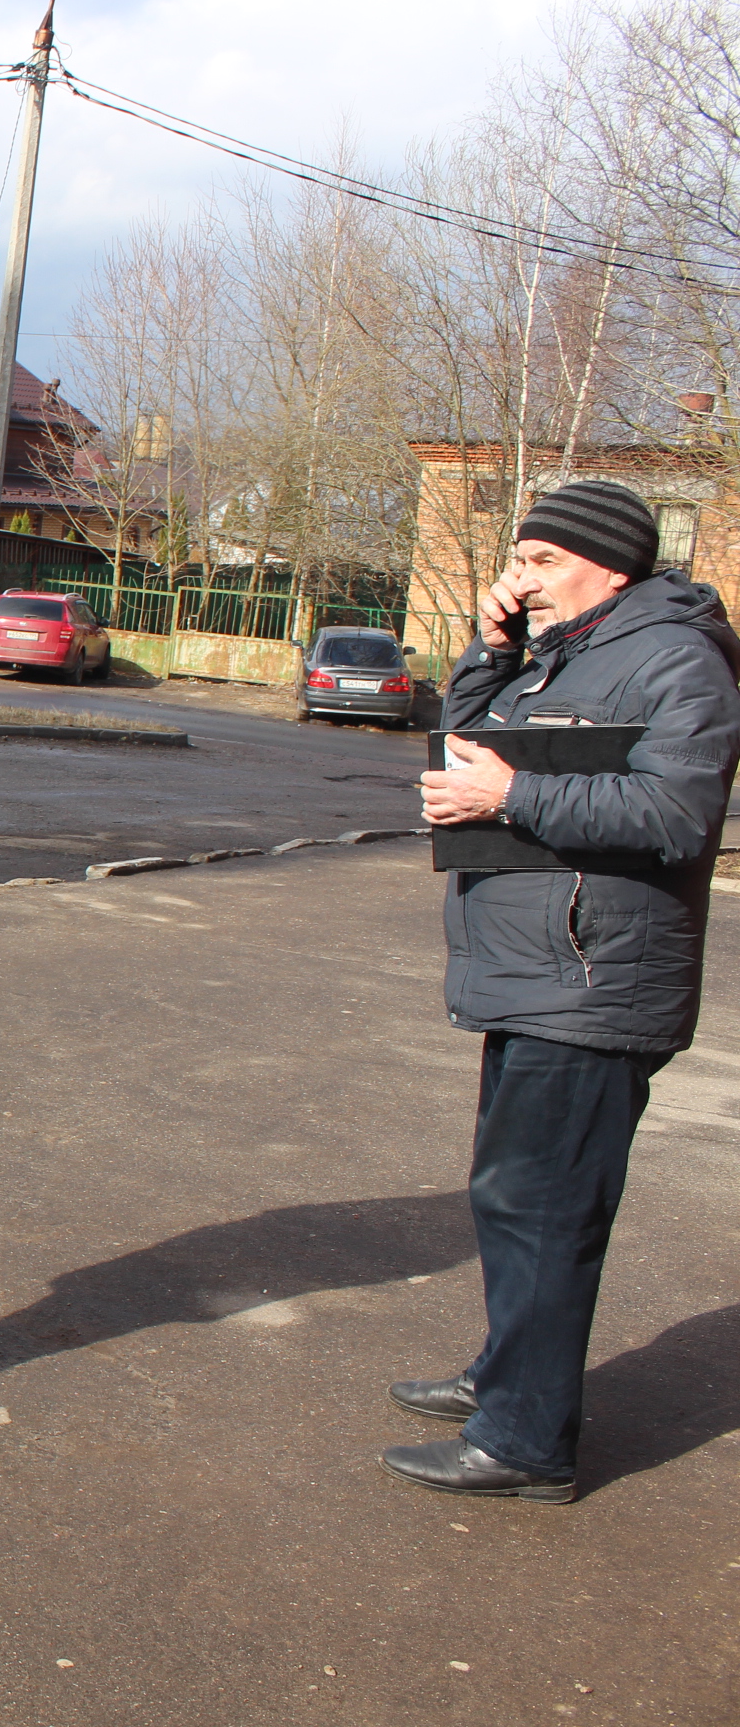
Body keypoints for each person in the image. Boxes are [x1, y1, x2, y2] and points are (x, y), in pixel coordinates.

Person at [398, 477, 740, 1502]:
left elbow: (679, 815)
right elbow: (466, 736)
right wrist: (493, 647)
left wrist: (514, 794)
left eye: (542, 561)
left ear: (611, 565)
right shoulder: (562, 652)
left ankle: (525, 1442)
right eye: (520, 560)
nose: (523, 577)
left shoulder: (676, 658)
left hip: (594, 982)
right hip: (532, 974)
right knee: (510, 1200)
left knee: (546, 1211)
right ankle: (510, 1380)